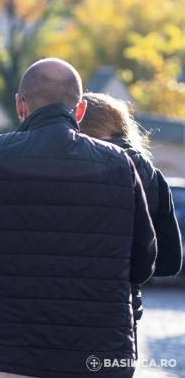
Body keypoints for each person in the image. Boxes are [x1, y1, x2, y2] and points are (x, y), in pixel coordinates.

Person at [0, 58, 157, 378]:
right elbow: (144, 262)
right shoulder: (120, 164)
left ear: (20, 104)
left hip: (4, 354)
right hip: (98, 355)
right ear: (78, 111)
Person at [80, 92, 183, 347]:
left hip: (66, 309)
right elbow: (170, 261)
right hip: (121, 313)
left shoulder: (74, 169)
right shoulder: (152, 175)